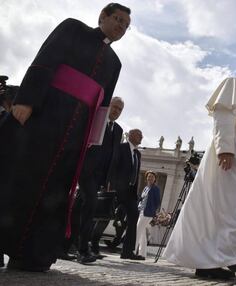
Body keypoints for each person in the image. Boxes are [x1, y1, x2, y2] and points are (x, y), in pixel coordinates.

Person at [0, 3, 131, 272]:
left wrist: (91, 142)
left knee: (53, 192)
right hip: (45, 116)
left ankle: (30, 254)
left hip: (74, 135)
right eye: (118, 19)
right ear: (102, 16)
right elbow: (45, 59)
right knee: (19, 176)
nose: (121, 27)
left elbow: (103, 105)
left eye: (126, 26)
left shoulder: (115, 63)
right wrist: (26, 100)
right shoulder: (73, 28)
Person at [164, 57, 236, 280]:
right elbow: (223, 115)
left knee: (230, 205)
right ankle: (229, 255)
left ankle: (213, 261)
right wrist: (225, 148)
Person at [78, 96, 124, 264]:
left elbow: (114, 156)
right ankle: (83, 250)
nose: (117, 111)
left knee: (80, 208)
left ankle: (67, 246)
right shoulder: (97, 120)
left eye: (120, 109)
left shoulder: (118, 130)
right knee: (89, 206)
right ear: (108, 105)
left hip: (100, 177)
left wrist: (109, 180)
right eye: (115, 107)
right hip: (86, 171)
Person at [107, 129, 143, 260]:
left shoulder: (138, 154)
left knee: (134, 217)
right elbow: (113, 165)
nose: (142, 138)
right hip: (117, 190)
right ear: (131, 135)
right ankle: (91, 245)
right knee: (105, 217)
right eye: (140, 135)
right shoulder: (121, 147)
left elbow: (136, 173)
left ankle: (127, 251)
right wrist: (110, 185)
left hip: (131, 193)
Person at [135, 171, 161, 260]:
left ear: (155, 179)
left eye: (152, 177)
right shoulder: (146, 188)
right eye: (149, 176)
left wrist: (153, 212)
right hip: (141, 211)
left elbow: (157, 202)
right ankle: (142, 254)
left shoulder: (155, 189)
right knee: (142, 233)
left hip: (147, 213)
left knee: (137, 231)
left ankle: (133, 251)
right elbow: (142, 199)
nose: (150, 178)